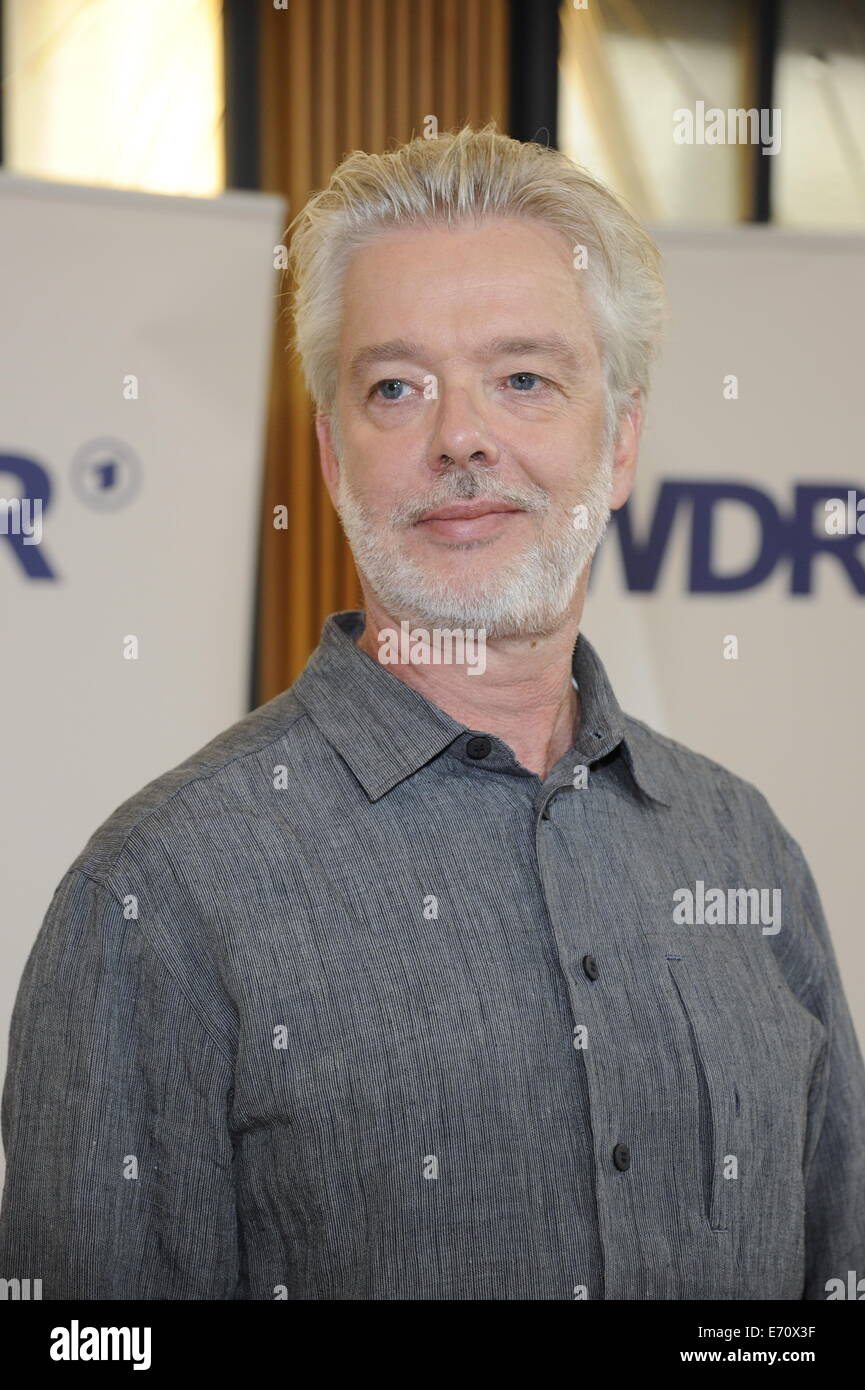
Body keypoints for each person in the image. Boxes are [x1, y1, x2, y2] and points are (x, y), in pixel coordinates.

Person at [1, 124, 863, 1300]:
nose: (459, 437)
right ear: (332, 454)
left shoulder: (742, 846)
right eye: (396, 387)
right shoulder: (157, 896)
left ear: (617, 441)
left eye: (522, 378)